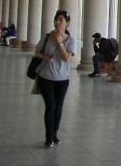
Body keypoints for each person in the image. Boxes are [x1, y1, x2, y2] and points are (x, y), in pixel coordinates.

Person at [33, 10, 75, 148]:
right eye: (56, 19)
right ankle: (48, 135)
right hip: (46, 77)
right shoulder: (46, 37)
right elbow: (37, 52)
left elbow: (67, 58)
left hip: (63, 79)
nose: (58, 22)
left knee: (58, 107)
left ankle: (55, 133)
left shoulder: (70, 40)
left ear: (67, 23)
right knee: (50, 106)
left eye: (61, 20)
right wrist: (44, 57)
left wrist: (59, 42)